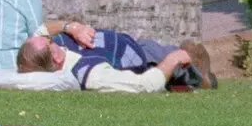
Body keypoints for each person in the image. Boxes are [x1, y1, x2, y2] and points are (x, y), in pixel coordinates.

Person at [16, 35, 199, 92]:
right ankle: (202, 72)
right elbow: (144, 85)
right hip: (148, 58)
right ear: (56, 58)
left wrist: (70, 27)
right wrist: (173, 59)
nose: (52, 39)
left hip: (133, 43)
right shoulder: (90, 73)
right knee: (191, 60)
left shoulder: (52, 52)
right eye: (49, 41)